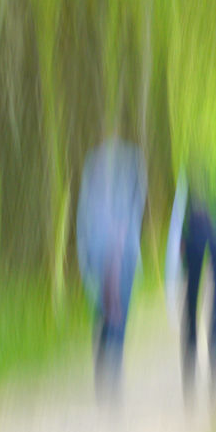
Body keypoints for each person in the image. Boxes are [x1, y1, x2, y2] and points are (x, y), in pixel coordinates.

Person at [165, 155, 216, 413]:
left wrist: (173, 273)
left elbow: (177, 219)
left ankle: (190, 387)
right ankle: (215, 389)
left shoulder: (188, 172)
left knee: (190, 311)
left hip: (195, 239)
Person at [76, 139, 147, 405]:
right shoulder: (96, 177)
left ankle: (111, 374)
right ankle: (106, 371)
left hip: (122, 254)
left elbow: (136, 215)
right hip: (103, 254)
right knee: (107, 314)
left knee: (116, 314)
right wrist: (85, 262)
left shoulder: (132, 171)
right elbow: (84, 221)